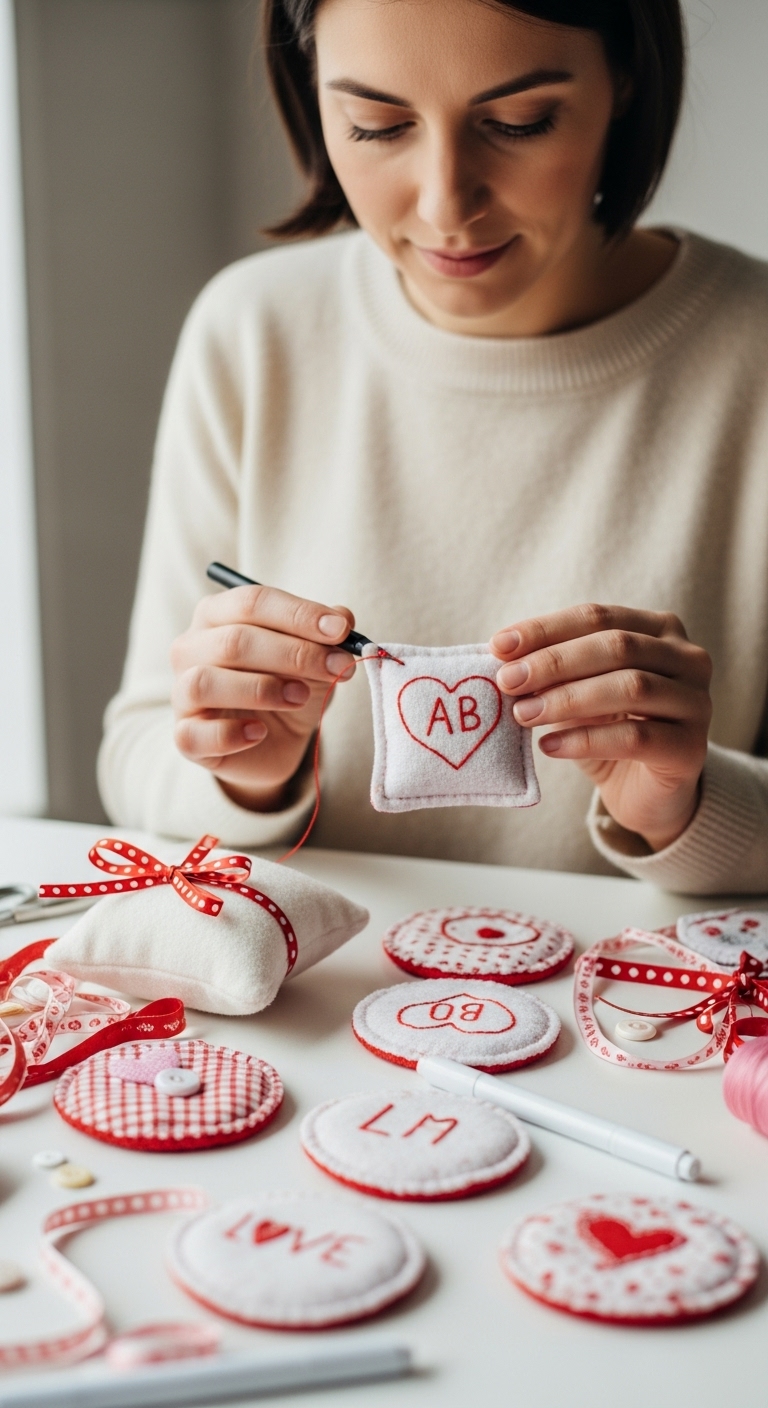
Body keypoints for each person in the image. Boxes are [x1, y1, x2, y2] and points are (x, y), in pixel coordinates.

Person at [99, 0, 768, 893]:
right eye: (376, 126)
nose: (447, 200)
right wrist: (243, 772)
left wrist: (685, 803)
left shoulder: (750, 354)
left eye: (519, 122)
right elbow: (137, 756)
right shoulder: (251, 333)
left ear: (626, 80)